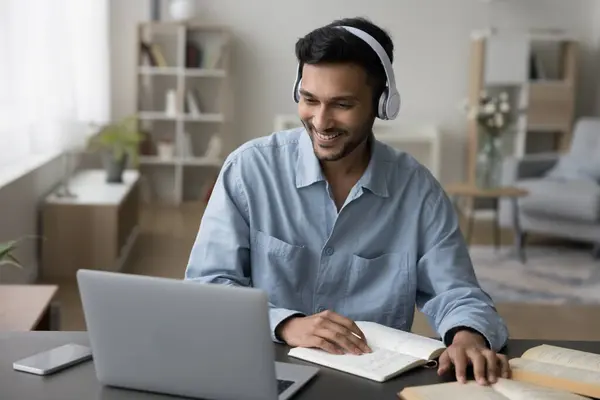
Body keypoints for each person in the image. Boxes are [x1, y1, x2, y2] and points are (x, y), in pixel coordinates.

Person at [184, 16, 510, 385]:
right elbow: (207, 285)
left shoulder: (418, 192)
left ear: (381, 104)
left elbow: (457, 292)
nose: (321, 121)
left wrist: (467, 335)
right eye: (309, 100)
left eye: (342, 104)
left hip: (368, 384)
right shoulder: (249, 170)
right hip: (260, 370)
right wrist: (286, 324)